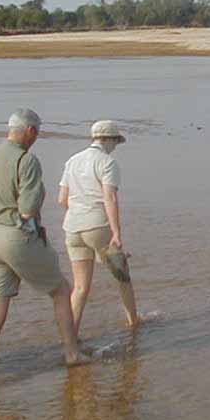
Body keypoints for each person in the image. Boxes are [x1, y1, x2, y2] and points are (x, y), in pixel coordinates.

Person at [0, 109, 87, 383]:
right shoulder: (27, 160)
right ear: (30, 131)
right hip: (15, 235)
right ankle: (72, 354)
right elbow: (28, 209)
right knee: (61, 290)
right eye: (38, 132)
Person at [58, 120, 140, 332]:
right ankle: (134, 322)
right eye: (115, 142)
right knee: (122, 277)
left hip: (72, 228)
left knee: (81, 287)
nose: (115, 147)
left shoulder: (72, 161)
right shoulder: (107, 163)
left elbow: (62, 199)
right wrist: (116, 233)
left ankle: (71, 334)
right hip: (97, 225)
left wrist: (78, 211)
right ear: (110, 140)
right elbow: (109, 198)